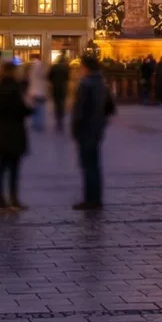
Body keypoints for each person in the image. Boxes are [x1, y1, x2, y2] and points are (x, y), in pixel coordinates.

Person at [71, 53, 115, 210]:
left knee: (88, 165)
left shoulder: (86, 84)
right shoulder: (103, 83)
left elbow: (80, 110)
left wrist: (75, 129)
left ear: (86, 67)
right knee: (95, 166)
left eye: (81, 67)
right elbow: (111, 107)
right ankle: (96, 199)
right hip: (97, 128)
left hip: (86, 129)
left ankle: (90, 200)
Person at [0, 60, 32, 211]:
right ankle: (13, 198)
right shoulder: (14, 87)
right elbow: (21, 109)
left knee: (1, 167)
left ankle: (0, 199)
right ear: (13, 72)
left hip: (0, 132)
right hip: (14, 131)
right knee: (13, 168)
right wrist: (30, 108)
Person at [25, 52, 49, 133]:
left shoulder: (30, 66)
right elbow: (44, 77)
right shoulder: (40, 66)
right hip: (40, 91)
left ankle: (35, 123)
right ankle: (39, 124)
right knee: (40, 108)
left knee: (34, 107)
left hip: (33, 91)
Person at [49, 55, 72, 131]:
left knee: (56, 103)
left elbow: (49, 77)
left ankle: (57, 118)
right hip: (63, 87)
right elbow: (68, 77)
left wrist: (53, 82)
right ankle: (61, 119)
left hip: (55, 87)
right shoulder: (65, 68)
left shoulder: (54, 67)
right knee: (61, 103)